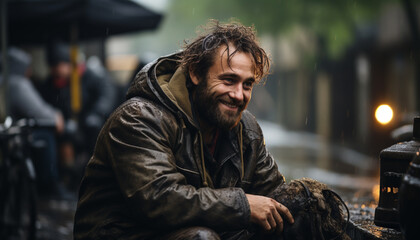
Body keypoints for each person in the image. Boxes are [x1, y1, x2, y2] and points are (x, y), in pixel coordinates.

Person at [74, 20, 294, 240]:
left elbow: (275, 197)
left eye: (247, 85)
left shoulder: (247, 130)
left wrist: (308, 203)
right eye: (229, 80)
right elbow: (159, 200)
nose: (239, 95)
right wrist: (243, 205)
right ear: (196, 73)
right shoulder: (139, 118)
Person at [0, 47, 70, 198]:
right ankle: (50, 183)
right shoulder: (17, 84)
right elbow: (39, 111)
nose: (30, 71)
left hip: (7, 132)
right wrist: (56, 116)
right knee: (46, 135)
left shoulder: (6, 81)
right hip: (12, 136)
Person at [37, 42, 116, 169]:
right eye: (54, 66)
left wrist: (97, 113)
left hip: (91, 122)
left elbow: (106, 94)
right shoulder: (52, 84)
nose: (57, 70)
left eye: (60, 65)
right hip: (68, 127)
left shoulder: (89, 75)